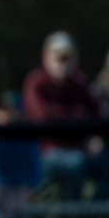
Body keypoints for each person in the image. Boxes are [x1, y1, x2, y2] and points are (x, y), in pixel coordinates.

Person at [21, 31, 109, 207]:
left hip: (79, 150)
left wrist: (76, 124)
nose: (63, 62)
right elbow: (42, 119)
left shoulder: (78, 83)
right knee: (73, 165)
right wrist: (76, 118)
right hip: (45, 153)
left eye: (67, 57)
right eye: (59, 56)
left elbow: (95, 115)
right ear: (46, 56)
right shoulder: (36, 82)